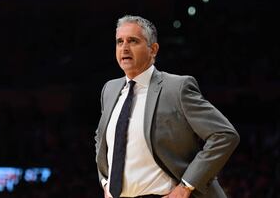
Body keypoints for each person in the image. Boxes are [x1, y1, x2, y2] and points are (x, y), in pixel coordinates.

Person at [94, 15, 240, 198]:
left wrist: (186, 186)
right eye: (119, 41)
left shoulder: (177, 88)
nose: (124, 48)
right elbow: (101, 137)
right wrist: (105, 182)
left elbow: (225, 134)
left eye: (133, 41)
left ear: (153, 49)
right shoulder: (110, 89)